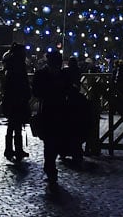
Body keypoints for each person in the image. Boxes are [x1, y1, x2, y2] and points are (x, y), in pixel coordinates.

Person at [32, 48, 72, 189]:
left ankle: (50, 167)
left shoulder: (60, 75)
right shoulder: (45, 75)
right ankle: (50, 168)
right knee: (49, 143)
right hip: (50, 112)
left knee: (54, 142)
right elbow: (36, 91)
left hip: (58, 111)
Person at [0, 44, 32, 162]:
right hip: (17, 98)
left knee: (12, 125)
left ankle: (10, 149)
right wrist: (26, 95)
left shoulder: (10, 63)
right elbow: (22, 82)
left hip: (11, 98)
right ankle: (17, 149)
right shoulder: (18, 65)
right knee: (16, 125)